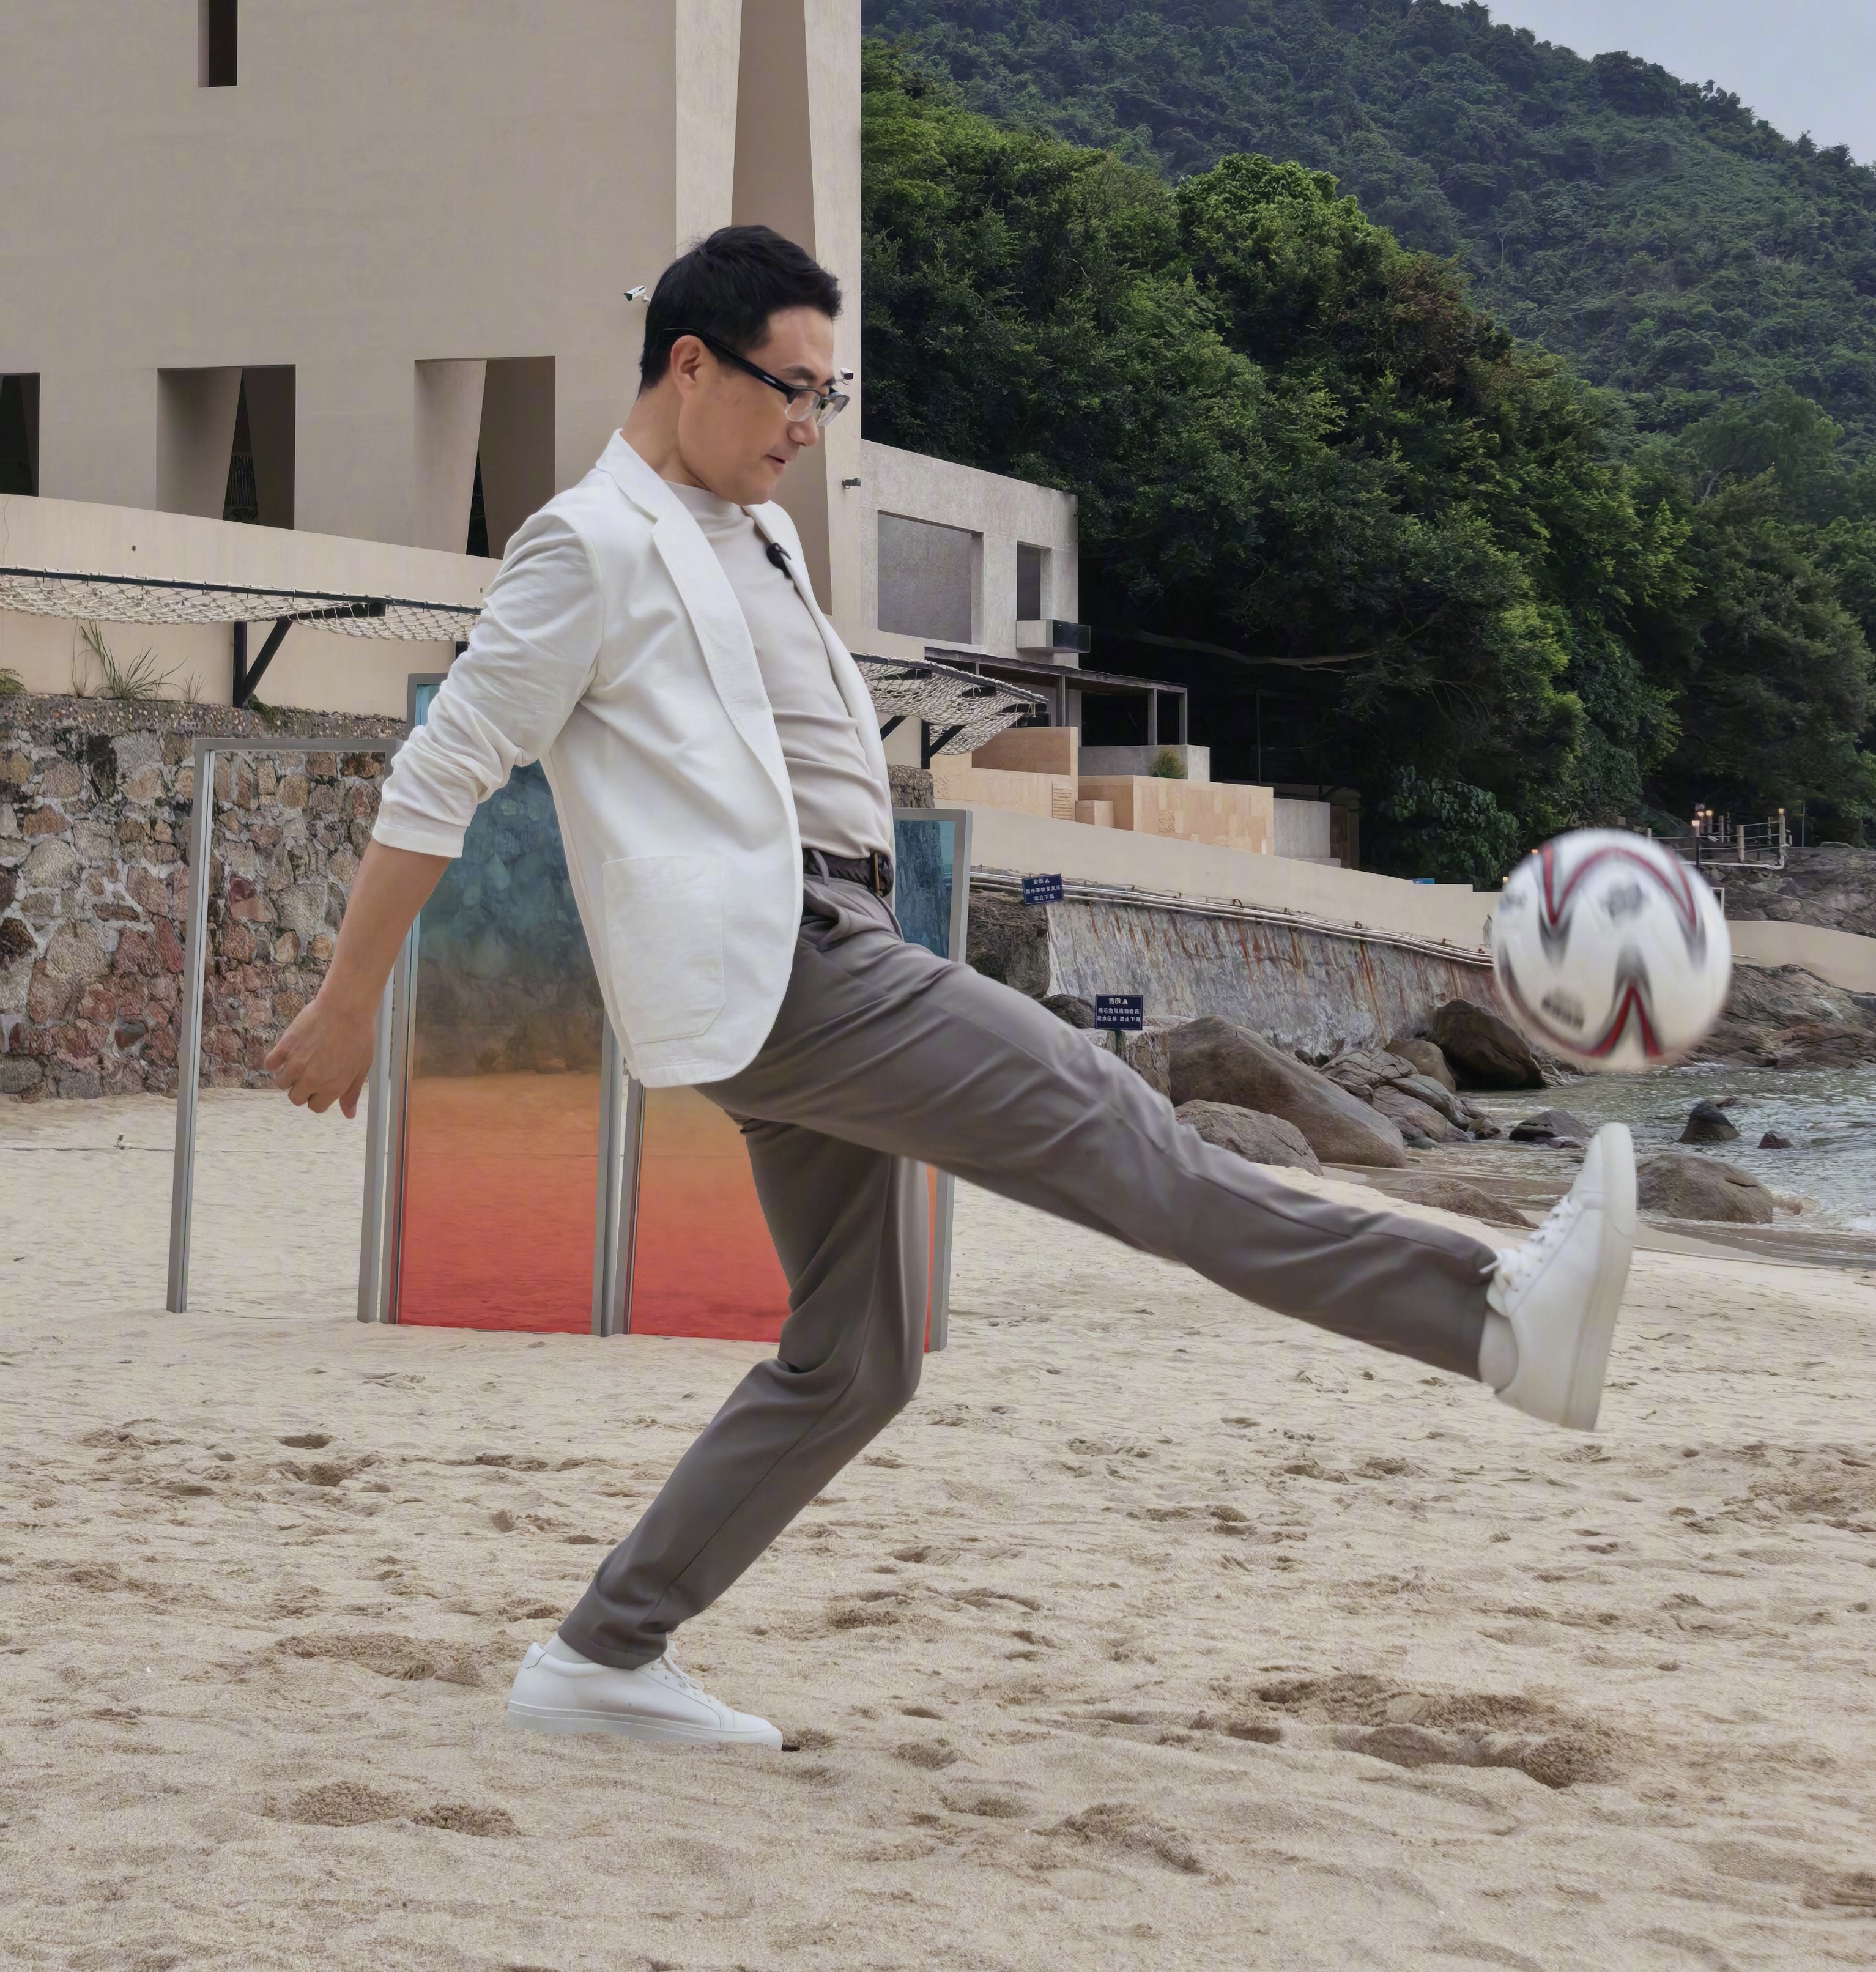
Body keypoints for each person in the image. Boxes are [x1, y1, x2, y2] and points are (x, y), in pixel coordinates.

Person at [264, 224, 1638, 1754]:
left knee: (856, 1360)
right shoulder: (588, 542)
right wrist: (350, 999)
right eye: (792, 389)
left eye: (828, 395)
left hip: (832, 941)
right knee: (1130, 1133)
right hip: (794, 962)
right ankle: (1495, 1320)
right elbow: (445, 764)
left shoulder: (754, 531)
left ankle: (603, 1651)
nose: (810, 425)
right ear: (690, 364)